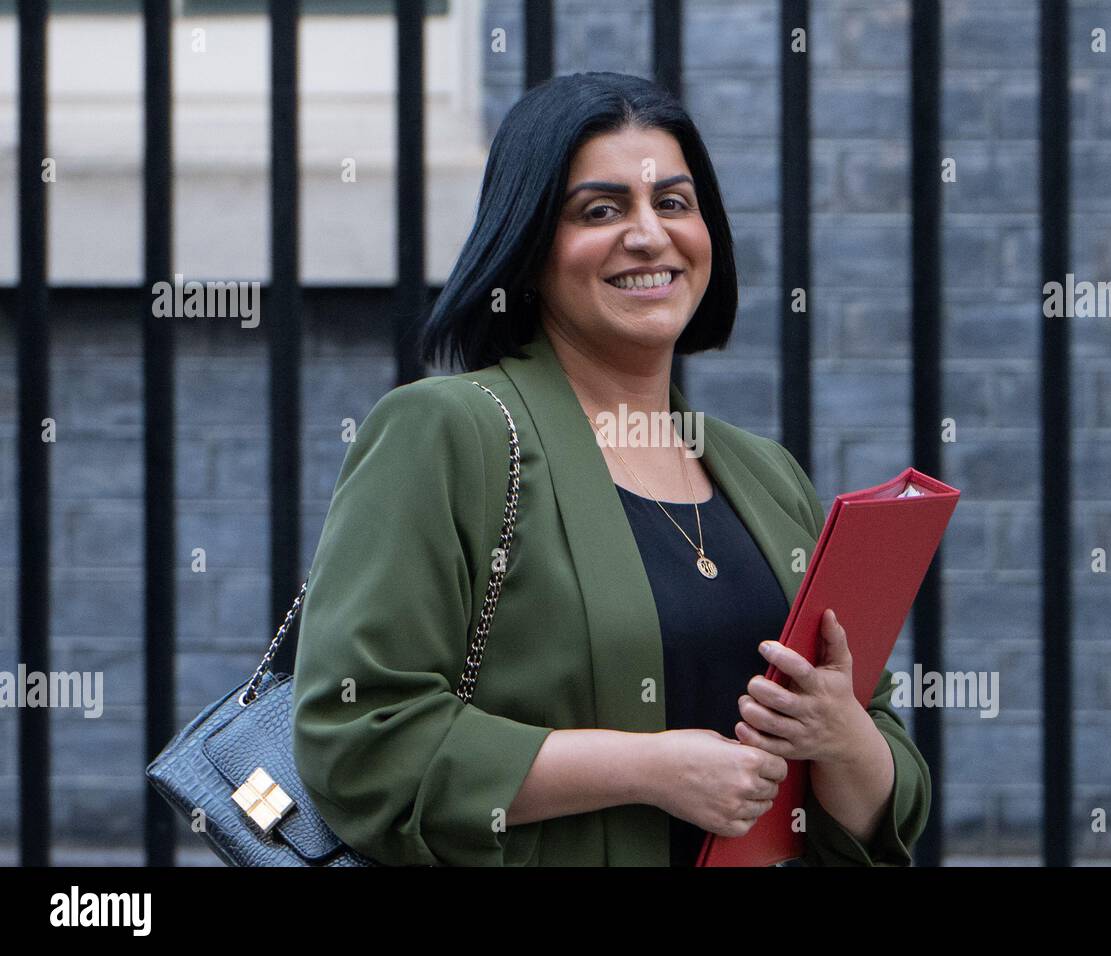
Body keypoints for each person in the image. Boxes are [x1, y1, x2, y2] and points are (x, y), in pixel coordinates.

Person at [291, 71, 930, 866]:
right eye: (601, 209)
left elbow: (887, 793)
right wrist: (649, 768)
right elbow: (358, 738)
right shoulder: (448, 435)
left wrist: (843, 739)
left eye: (673, 203)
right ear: (528, 248)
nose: (648, 235)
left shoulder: (766, 475)